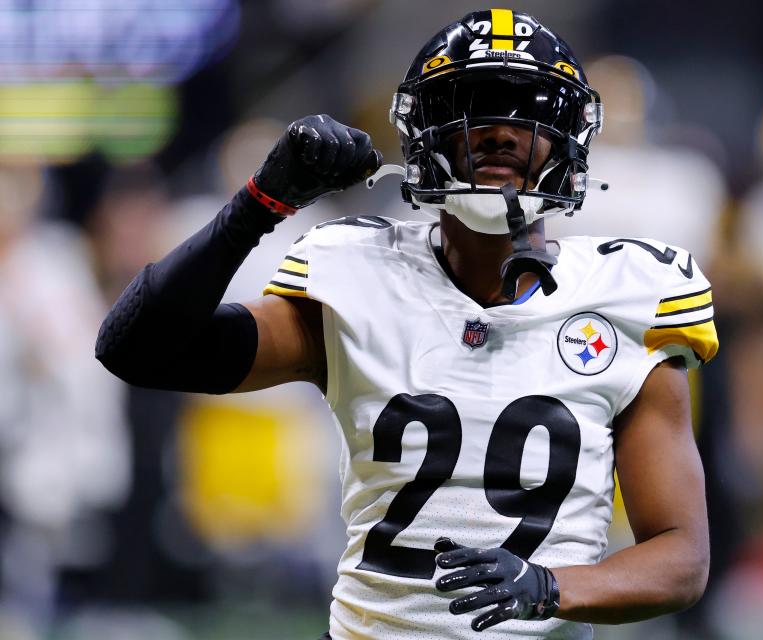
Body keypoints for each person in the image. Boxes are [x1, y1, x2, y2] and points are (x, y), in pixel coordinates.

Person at [96, 9, 718, 639]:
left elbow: (680, 557)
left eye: (525, 110)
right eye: (471, 106)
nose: (500, 132)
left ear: (567, 141)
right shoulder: (358, 276)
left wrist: (548, 587)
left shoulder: (628, 297)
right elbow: (139, 349)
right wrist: (259, 204)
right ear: (425, 134)